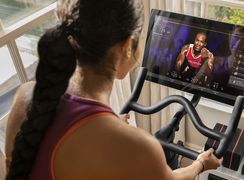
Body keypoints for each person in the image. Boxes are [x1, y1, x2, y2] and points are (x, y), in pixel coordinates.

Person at [5, 0, 222, 179]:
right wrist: (201, 163)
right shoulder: (141, 147)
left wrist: (108, 125)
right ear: (127, 46)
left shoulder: (25, 95)